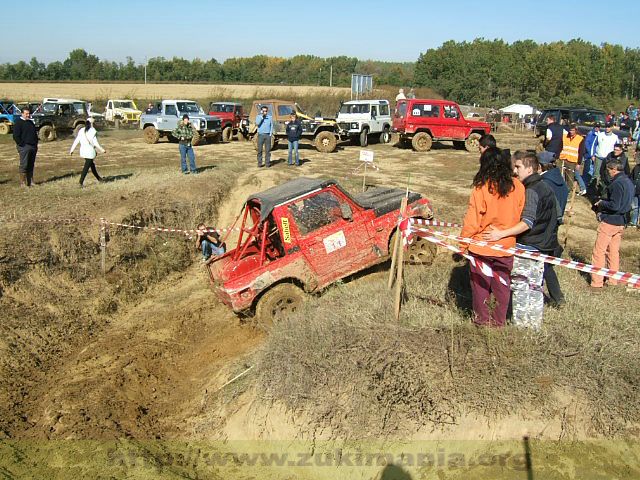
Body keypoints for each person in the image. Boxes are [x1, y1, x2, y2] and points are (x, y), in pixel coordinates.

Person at [484, 151, 561, 330]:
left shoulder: (532, 191)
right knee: (535, 286)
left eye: (518, 167)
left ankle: (520, 327)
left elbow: (527, 222)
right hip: (541, 245)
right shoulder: (546, 186)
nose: (515, 171)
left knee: (520, 285)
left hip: (528, 245)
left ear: (529, 167)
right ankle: (533, 326)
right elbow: (557, 216)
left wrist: (500, 234)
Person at [460, 147, 525, 327]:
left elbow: (472, 221)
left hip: (481, 246)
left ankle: (481, 321)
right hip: (506, 246)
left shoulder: (481, 188)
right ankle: (498, 322)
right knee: (502, 286)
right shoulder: (518, 187)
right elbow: (520, 214)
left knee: (481, 286)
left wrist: (463, 244)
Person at [590, 157, 635, 290]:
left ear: (614, 170)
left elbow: (614, 205)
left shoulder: (616, 184)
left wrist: (601, 203)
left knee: (599, 252)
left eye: (608, 170)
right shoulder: (628, 182)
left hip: (610, 221)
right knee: (613, 252)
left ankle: (596, 282)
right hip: (621, 221)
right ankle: (613, 279)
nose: (607, 172)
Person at [538, 151, 569, 307]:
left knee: (544, 263)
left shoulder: (545, 183)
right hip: (554, 225)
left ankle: (557, 297)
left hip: (545, 226)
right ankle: (556, 297)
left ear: (541, 165)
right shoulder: (560, 180)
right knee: (546, 262)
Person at [69, 119, 106, 187]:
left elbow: (77, 140)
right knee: (86, 167)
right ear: (92, 124)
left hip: (83, 151)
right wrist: (102, 150)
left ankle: (99, 179)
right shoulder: (93, 131)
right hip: (90, 152)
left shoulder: (81, 130)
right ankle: (80, 182)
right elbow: (95, 143)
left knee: (92, 165)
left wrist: (72, 150)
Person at [12, 106, 38, 187]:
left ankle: (31, 182)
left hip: (33, 146)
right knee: (24, 164)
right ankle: (22, 183)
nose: (28, 115)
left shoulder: (30, 122)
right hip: (24, 147)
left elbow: (34, 134)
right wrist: (22, 144)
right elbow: (16, 136)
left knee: (31, 164)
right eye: (26, 114)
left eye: (29, 113)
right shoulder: (18, 122)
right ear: (22, 113)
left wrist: (36, 143)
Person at [559, 123, 587, 194]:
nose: (571, 132)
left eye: (573, 130)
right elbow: (560, 147)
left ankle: (568, 191)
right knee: (563, 176)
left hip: (573, 161)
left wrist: (579, 163)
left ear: (576, 130)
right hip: (563, 159)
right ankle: (563, 189)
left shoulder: (580, 139)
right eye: (570, 130)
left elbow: (581, 152)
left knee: (570, 177)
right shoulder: (564, 137)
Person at [582, 123, 600, 187]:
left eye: (598, 127)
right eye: (596, 127)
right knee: (588, 170)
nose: (597, 128)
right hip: (589, 155)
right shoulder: (590, 134)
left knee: (592, 170)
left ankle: (589, 183)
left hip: (595, 155)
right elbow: (587, 145)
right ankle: (584, 184)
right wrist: (591, 154)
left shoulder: (599, 134)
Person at [629, 160, 640, 227]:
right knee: (634, 207)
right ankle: (633, 222)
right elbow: (631, 177)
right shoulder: (636, 167)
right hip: (635, 191)